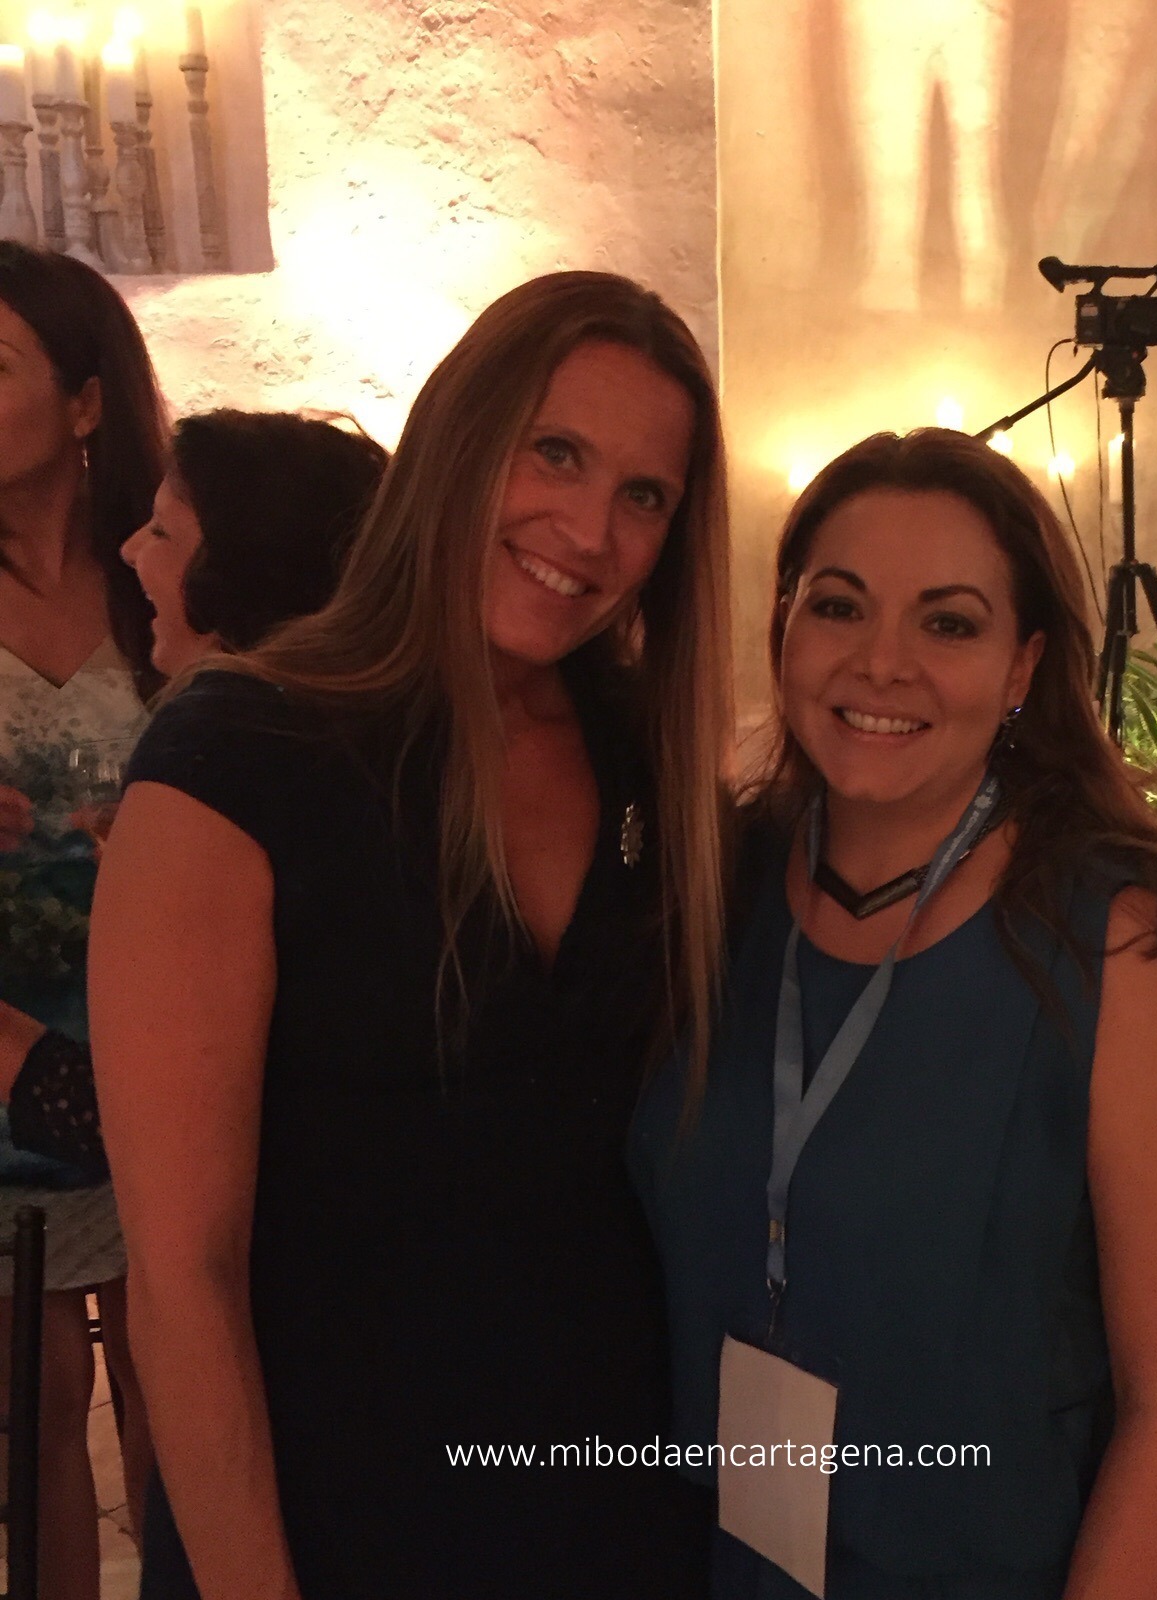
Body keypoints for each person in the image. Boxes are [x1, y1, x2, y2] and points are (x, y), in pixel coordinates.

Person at [90, 272, 732, 1598]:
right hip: (323, 1517)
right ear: (459, 439)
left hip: (611, 1513)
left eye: (644, 495)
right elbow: (183, 1277)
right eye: (555, 453)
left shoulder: (648, 765)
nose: (588, 530)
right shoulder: (239, 755)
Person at [633, 429, 1157, 1600]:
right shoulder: (712, 892)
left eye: (948, 623)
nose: (883, 663)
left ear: (1023, 667)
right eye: (839, 607)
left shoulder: (1121, 951)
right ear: (782, 628)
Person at [0, 409, 390, 1178]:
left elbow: (153, 1129)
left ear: (236, 575)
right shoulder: (344, 746)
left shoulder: (230, 751)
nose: (128, 550)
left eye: (162, 532)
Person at [0, 240, 165, 1600]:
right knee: (35, 1410)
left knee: (182, 1392)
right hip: (2, 1052)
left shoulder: (168, 575)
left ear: (87, 401)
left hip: (165, 1043)